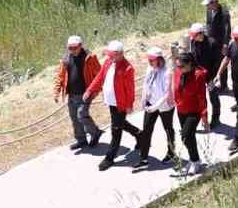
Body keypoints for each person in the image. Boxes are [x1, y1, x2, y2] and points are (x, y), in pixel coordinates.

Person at [84, 41, 139, 171]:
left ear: (120, 54)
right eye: (109, 55)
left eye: (112, 55)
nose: (110, 57)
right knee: (119, 123)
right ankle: (140, 135)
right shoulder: (108, 62)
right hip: (111, 102)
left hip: (120, 104)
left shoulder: (127, 68)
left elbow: (130, 89)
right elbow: (100, 76)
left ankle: (109, 158)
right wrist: (90, 90)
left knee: (116, 130)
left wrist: (129, 104)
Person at [53, 34, 103, 151]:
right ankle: (81, 140)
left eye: (74, 48)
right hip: (71, 94)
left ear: (80, 46)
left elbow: (100, 74)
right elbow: (60, 76)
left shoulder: (90, 57)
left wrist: (95, 90)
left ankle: (95, 132)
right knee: (74, 118)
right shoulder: (65, 59)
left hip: (86, 93)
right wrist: (56, 91)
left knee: (81, 115)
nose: (72, 50)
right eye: (70, 48)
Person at [135, 46, 175, 171]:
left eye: (152, 60)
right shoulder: (149, 69)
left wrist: (155, 107)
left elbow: (166, 94)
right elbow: (146, 86)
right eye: (149, 60)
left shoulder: (167, 72)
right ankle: (144, 159)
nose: (150, 62)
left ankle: (171, 152)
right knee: (146, 130)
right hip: (151, 104)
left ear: (159, 59)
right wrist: (143, 102)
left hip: (165, 106)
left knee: (168, 129)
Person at [170, 49, 209, 177]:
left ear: (190, 64)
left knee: (185, 135)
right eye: (177, 66)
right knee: (189, 137)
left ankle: (196, 161)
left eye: (181, 66)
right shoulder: (178, 72)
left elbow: (202, 97)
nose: (179, 68)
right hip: (181, 110)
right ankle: (194, 160)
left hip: (194, 111)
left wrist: (204, 117)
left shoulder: (198, 75)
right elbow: (174, 88)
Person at [186, 22, 223, 127]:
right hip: (198, 75)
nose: (193, 38)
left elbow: (217, 62)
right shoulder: (193, 42)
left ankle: (216, 118)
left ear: (201, 34)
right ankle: (203, 118)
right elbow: (192, 57)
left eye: (194, 36)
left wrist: (214, 77)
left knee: (214, 98)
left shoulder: (212, 43)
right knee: (200, 99)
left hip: (211, 76)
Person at [204, 0, 232, 91]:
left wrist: (225, 44)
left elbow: (227, 29)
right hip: (211, 42)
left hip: (220, 42)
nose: (207, 6)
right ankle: (214, 82)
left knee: (221, 63)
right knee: (212, 63)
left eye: (208, 4)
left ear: (215, 3)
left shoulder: (224, 13)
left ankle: (224, 85)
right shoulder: (208, 11)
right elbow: (208, 24)